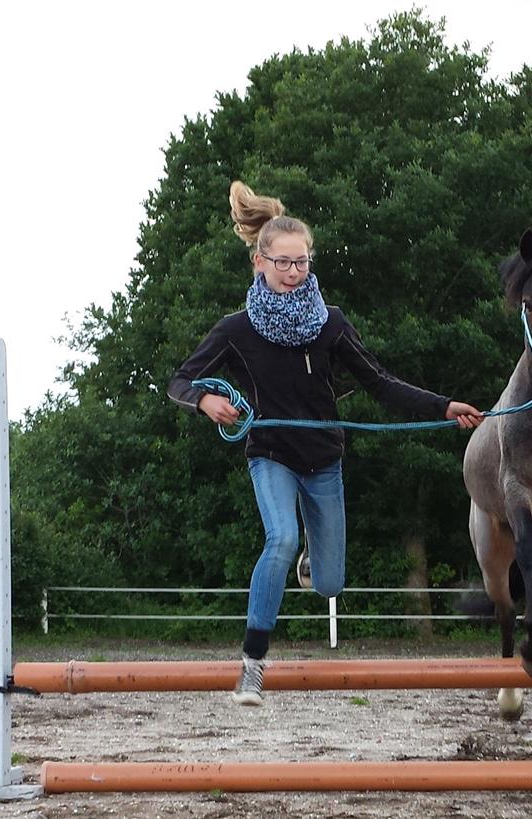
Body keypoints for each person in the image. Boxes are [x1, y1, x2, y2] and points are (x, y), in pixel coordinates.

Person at [168, 181, 484, 706]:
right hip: (270, 453)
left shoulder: (331, 324)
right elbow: (181, 380)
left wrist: (442, 405)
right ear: (259, 263)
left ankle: (317, 553)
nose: (294, 273)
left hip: (323, 460)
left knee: (330, 585)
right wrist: (203, 400)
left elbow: (381, 382)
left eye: (303, 263)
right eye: (284, 263)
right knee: (279, 540)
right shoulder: (235, 330)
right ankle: (252, 665)